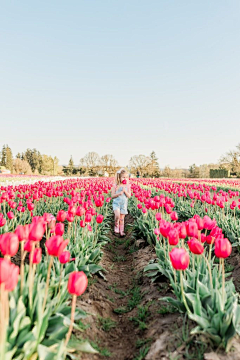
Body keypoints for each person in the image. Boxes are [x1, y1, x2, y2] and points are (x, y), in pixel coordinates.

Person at [111, 168, 131, 236]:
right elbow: (112, 196)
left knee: (122, 219)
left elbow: (129, 196)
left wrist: (125, 191)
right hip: (116, 204)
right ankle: (116, 226)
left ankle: (121, 231)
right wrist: (119, 193)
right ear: (119, 177)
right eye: (123, 177)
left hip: (124, 204)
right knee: (117, 216)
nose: (125, 179)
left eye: (126, 177)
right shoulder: (115, 186)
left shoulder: (128, 186)